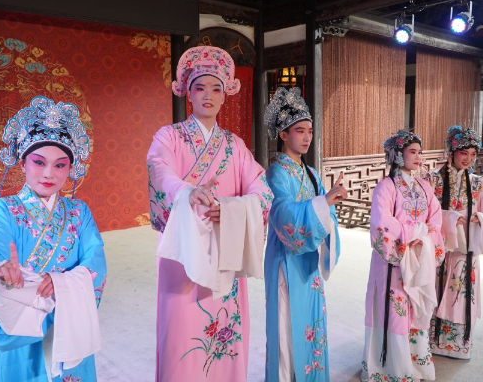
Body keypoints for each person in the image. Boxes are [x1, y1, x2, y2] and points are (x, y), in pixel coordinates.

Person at [147, 45, 273, 381]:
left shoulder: (235, 145)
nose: (208, 95)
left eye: (216, 89)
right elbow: (159, 170)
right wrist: (185, 193)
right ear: (187, 93)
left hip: (224, 248)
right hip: (184, 250)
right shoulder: (169, 137)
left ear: (224, 95)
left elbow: (261, 189)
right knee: (181, 331)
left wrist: (233, 210)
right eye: (200, 87)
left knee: (224, 330)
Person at [0, 96, 107, 382]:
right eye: (39, 162)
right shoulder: (2, 210)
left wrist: (63, 283)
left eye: (60, 165)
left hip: (66, 317)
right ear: (22, 163)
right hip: (21, 316)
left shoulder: (79, 212)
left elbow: (95, 259)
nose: (48, 174)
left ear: (70, 168)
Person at [263, 87, 344, 381]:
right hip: (285, 261)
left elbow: (327, 216)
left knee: (311, 320)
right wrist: (322, 203)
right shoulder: (276, 173)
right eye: (300, 131)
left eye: (309, 131)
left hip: (308, 262)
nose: (307, 137)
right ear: (283, 134)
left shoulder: (311, 173)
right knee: (286, 325)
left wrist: (327, 204)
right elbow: (282, 214)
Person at [361, 130, 444, 382]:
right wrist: (412, 234)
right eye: (412, 152)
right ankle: (392, 367)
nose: (418, 157)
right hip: (394, 261)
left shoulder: (424, 187)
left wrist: (426, 239)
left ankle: (416, 364)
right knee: (395, 310)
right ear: (398, 155)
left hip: (419, 257)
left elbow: (435, 220)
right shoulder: (385, 187)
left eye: (420, 152)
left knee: (416, 310)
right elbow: (381, 221)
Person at [425, 126, 483, 360]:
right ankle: (429, 339)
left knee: (460, 293)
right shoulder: (432, 180)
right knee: (433, 288)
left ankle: (457, 343)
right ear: (451, 152)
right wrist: (449, 217)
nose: (469, 159)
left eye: (473, 154)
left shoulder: (478, 183)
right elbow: (421, 211)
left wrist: (480, 217)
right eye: (464, 153)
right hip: (439, 246)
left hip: (464, 249)